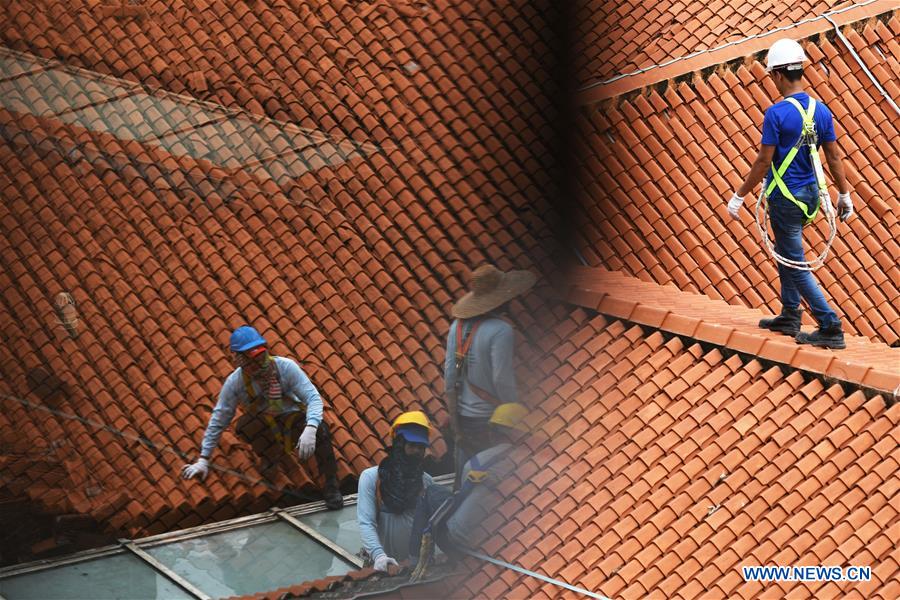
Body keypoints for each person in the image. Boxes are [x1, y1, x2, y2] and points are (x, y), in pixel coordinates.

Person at [727, 38, 852, 350]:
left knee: (794, 262)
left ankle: (829, 324)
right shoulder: (821, 111)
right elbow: (834, 158)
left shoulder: (776, 114)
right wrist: (844, 195)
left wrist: (740, 195)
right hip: (811, 195)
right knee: (786, 253)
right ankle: (790, 313)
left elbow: (763, 161)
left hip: (786, 198)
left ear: (779, 75)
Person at [180, 325, 343, 509]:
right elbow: (219, 419)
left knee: (322, 431)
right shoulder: (236, 383)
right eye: (252, 360)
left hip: (293, 420)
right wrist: (203, 459)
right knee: (245, 425)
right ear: (240, 361)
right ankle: (270, 457)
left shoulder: (285, 368)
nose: (259, 363)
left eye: (261, 357)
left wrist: (311, 428)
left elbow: (313, 398)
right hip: (265, 426)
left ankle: (331, 485)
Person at [407, 403, 527, 579]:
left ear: (492, 433)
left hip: (461, 541)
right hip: (504, 539)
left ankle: (414, 560)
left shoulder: (477, 462)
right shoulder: (532, 462)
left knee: (431, 492)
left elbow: (459, 504)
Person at [445, 264, 535, 487]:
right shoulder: (501, 330)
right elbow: (501, 378)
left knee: (462, 483)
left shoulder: (456, 327)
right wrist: (513, 410)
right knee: (490, 485)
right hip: (489, 422)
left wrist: (455, 421)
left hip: (463, 422)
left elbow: (450, 376)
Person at [356, 411, 434, 572]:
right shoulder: (372, 478)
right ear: (399, 444)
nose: (417, 452)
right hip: (381, 565)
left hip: (413, 566)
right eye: (412, 446)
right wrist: (379, 556)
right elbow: (366, 522)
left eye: (421, 447)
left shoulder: (426, 483)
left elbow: (430, 528)